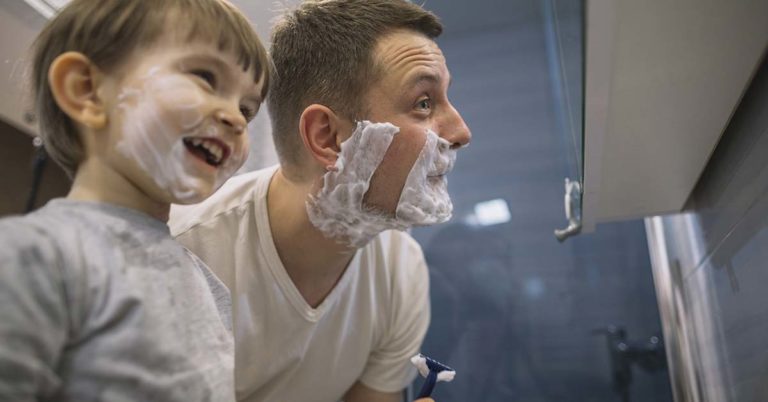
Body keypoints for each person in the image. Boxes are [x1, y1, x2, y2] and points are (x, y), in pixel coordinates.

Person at [170, 0, 471, 401]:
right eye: (423, 103)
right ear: (327, 137)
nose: (460, 131)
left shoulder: (401, 270)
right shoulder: (181, 258)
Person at [0, 0, 269, 400]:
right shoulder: (31, 255)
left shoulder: (209, 285)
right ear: (87, 92)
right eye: (205, 77)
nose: (234, 117)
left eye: (247, 109)